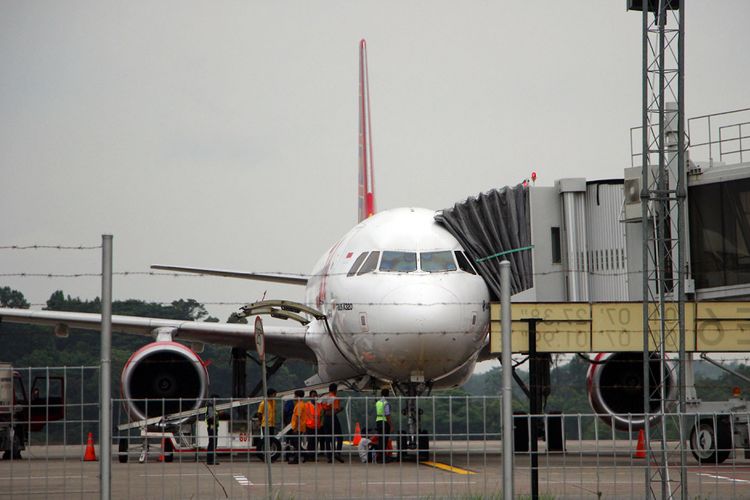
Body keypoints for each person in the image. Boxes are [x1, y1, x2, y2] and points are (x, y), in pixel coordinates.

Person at [320, 383, 344, 463]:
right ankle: (338, 453)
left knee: (328, 437)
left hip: (325, 418)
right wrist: (340, 409)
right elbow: (335, 410)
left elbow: (322, 408)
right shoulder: (334, 398)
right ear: (335, 390)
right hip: (332, 417)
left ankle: (329, 457)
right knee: (340, 436)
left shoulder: (324, 397)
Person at [288, 390, 308, 464]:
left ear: (298, 396)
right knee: (295, 442)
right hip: (298, 426)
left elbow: (298, 417)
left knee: (296, 443)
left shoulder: (299, 405)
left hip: (298, 427)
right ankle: (305, 454)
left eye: (295, 395)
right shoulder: (300, 404)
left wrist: (296, 428)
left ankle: (297, 459)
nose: (294, 397)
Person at [375, 388, 392, 462]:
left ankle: (379, 457)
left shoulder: (378, 402)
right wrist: (391, 425)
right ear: (387, 395)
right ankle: (382, 458)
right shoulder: (386, 403)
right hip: (384, 422)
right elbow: (387, 415)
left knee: (380, 440)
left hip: (378, 421)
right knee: (384, 440)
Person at [304, 390, 321, 461]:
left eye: (315, 395)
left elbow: (321, 414)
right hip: (309, 426)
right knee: (311, 441)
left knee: (315, 441)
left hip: (317, 426)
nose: (314, 397)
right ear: (310, 396)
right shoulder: (307, 405)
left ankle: (313, 456)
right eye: (313, 395)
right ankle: (310, 456)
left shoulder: (319, 405)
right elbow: (304, 415)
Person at [206, 395, 219, 465]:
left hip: (212, 426)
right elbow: (211, 417)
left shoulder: (211, 407)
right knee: (212, 443)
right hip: (212, 426)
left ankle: (211, 460)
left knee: (212, 443)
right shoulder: (210, 407)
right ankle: (210, 460)